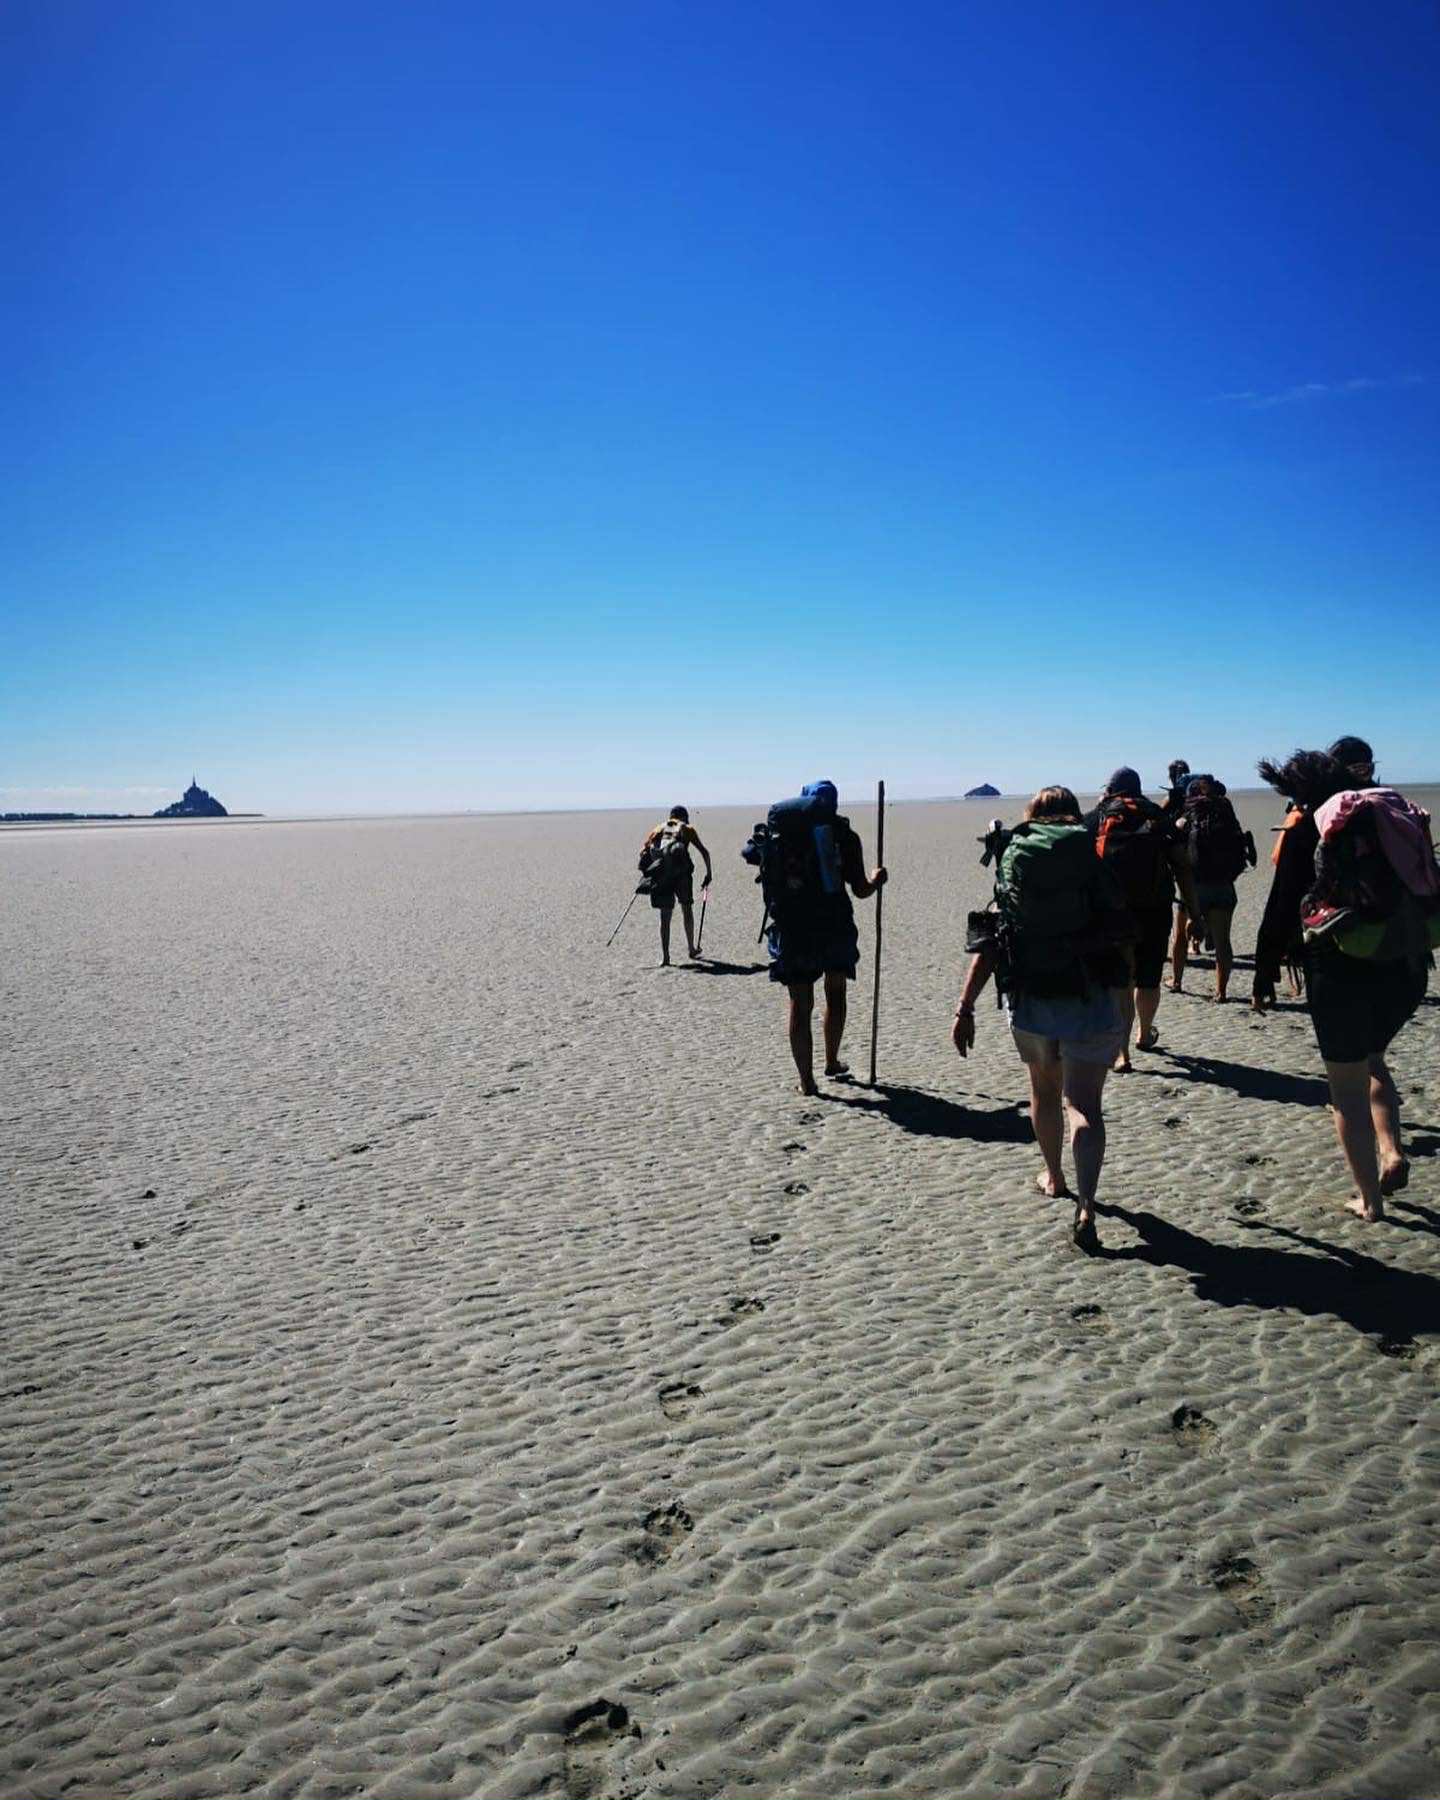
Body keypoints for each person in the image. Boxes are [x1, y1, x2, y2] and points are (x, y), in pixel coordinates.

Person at [1254, 749, 1436, 1222]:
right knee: (1374, 1059)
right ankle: (1392, 1150)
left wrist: (1264, 971)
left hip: (1339, 968)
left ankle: (1370, 1200)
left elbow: (1281, 905)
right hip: (1406, 965)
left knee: (1346, 1090)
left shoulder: (1311, 826)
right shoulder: (1387, 812)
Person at [953, 785, 1132, 1250]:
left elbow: (989, 942)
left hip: (1032, 1001)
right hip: (1089, 996)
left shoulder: (1016, 860)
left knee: (1044, 1092)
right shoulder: (1091, 860)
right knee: (1085, 1107)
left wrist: (965, 1007)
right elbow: (1121, 932)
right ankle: (1088, 1204)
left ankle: (1053, 1176)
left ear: (1030, 817)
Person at [744, 780, 885, 1095]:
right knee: (835, 994)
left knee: (800, 1002)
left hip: (793, 926)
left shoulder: (781, 837)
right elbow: (861, 890)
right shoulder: (845, 837)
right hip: (834, 923)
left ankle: (806, 1081)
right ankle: (832, 1061)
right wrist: (876, 880)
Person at [1084, 767, 1201, 1070]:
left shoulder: (1099, 816)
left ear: (1109, 790)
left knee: (1123, 979)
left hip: (1114, 914)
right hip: (1156, 909)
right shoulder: (1156, 816)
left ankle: (1121, 1052)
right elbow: (1183, 867)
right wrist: (1194, 912)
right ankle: (1144, 1032)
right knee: (1148, 978)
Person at [1169, 774, 1257, 1000]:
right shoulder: (1225, 813)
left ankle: (1177, 981)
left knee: (1180, 937)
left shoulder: (1189, 813)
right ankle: (1221, 991)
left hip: (1194, 888)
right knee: (1222, 942)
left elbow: (1177, 849)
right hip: (1223, 885)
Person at [637, 806, 713, 966]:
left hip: (662, 876)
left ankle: (666, 958)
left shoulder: (658, 828)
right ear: (683, 817)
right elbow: (704, 852)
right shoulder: (687, 828)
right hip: (681, 876)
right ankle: (691, 949)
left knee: (665, 917)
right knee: (686, 909)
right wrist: (708, 874)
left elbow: (643, 852)